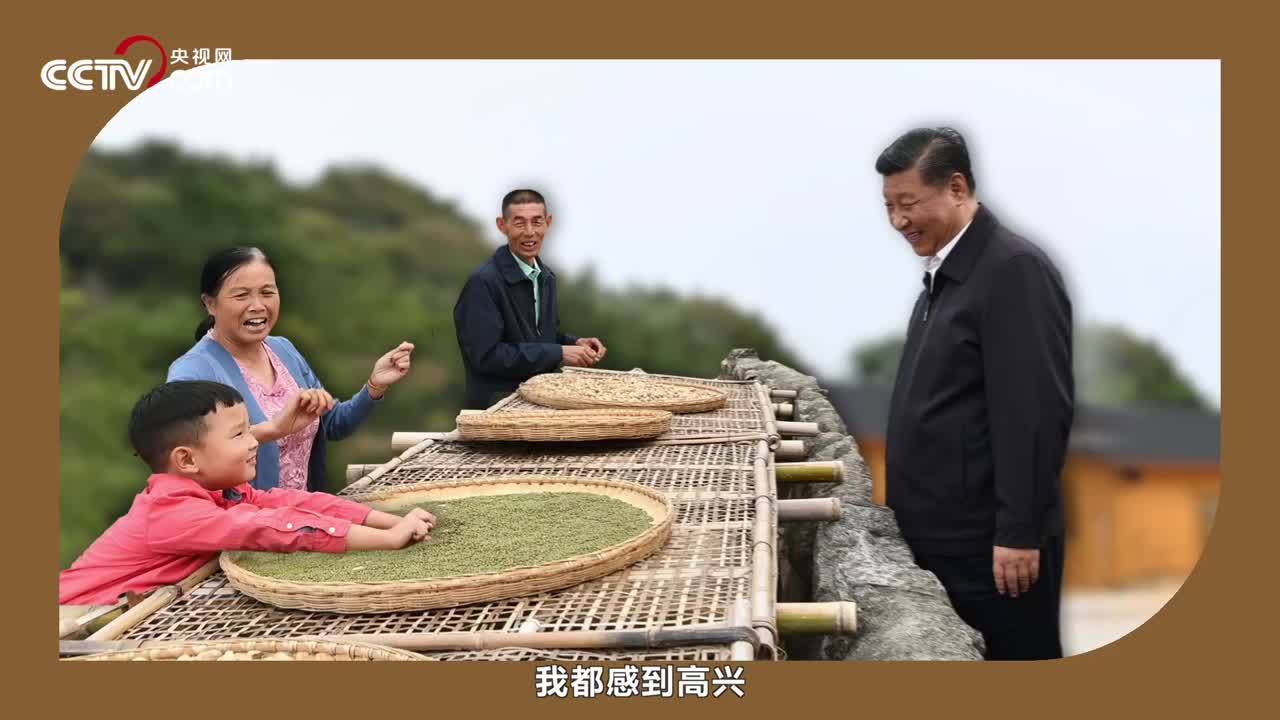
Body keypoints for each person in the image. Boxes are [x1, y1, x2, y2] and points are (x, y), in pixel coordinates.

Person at [877, 127, 1074, 660]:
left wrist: (1019, 532)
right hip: (942, 543)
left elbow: (1033, 413)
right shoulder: (944, 278)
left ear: (957, 188)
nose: (898, 221)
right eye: (889, 207)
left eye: (909, 204)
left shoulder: (1013, 270)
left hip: (991, 550)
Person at [59, 381, 434, 606]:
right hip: (75, 621)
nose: (254, 441)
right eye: (239, 434)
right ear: (186, 459)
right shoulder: (171, 512)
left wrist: (391, 522)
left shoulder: (222, 492)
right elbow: (267, 528)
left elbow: (292, 503)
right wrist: (388, 541)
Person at [169, 247, 415, 491]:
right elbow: (190, 453)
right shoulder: (193, 371)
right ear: (210, 303)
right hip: (242, 514)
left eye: (267, 292)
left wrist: (374, 386)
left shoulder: (283, 350)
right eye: (242, 295)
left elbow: (332, 424)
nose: (258, 305)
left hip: (302, 511)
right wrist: (274, 429)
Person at [453, 189, 607, 409]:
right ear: (502, 225)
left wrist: (574, 343)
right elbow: (486, 356)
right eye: (519, 223)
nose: (529, 232)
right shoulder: (483, 282)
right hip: (496, 409)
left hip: (539, 406)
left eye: (537, 222)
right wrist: (559, 353)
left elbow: (539, 337)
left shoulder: (547, 277)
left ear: (548, 223)